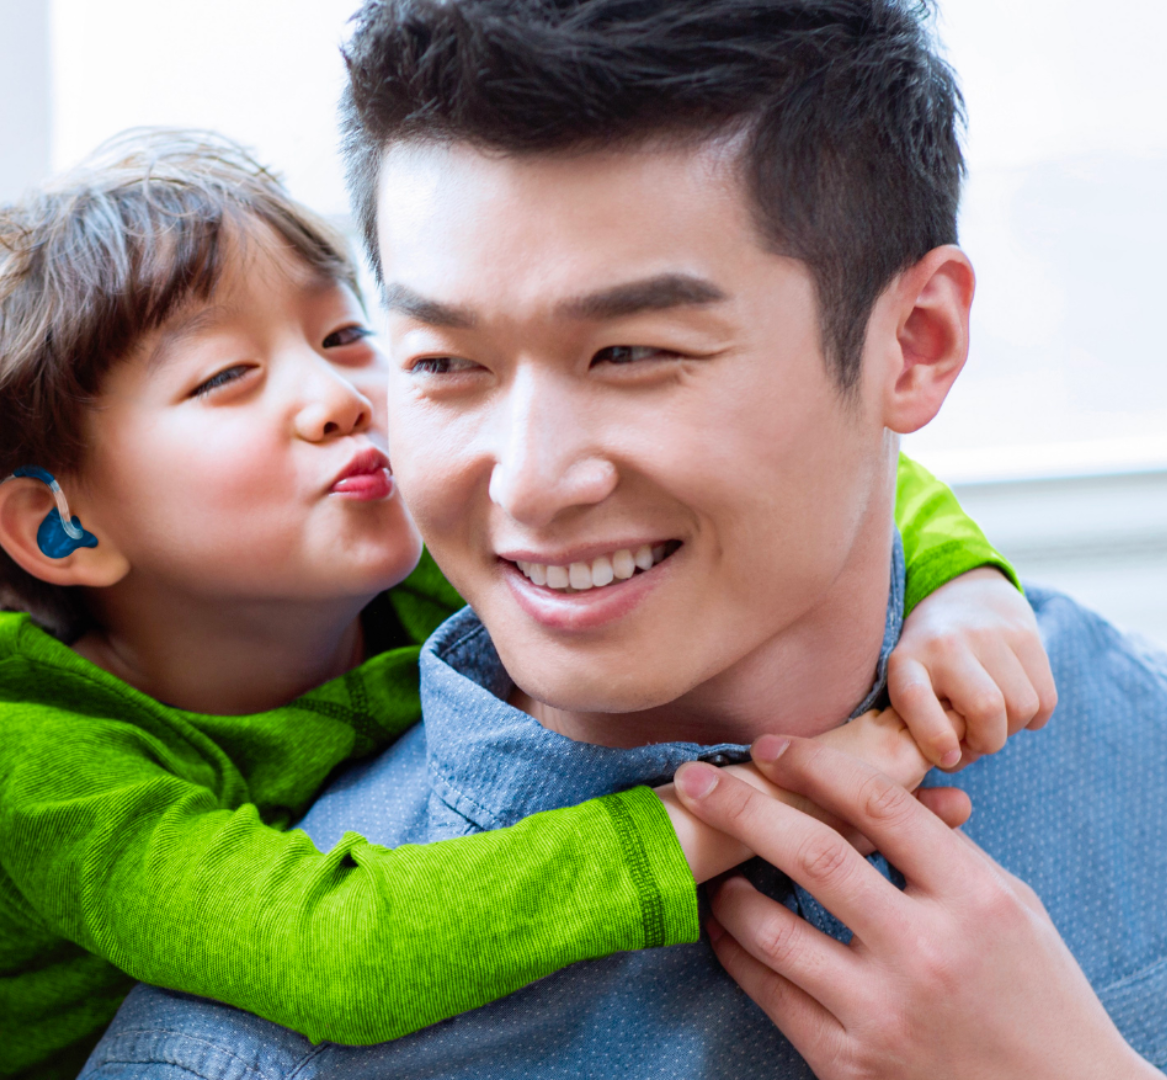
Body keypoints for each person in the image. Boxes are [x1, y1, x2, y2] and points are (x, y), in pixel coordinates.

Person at [81, 0, 1167, 1076]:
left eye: (633, 354)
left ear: (916, 344)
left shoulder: (1139, 744)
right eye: (444, 364)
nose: (530, 480)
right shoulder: (232, 1054)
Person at [0, 131, 1048, 1080]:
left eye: (346, 335)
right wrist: (746, 809)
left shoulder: (400, 535)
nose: (340, 401)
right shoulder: (21, 731)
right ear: (65, 529)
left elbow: (807, 464)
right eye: (225, 380)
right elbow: (334, 953)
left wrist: (959, 581)